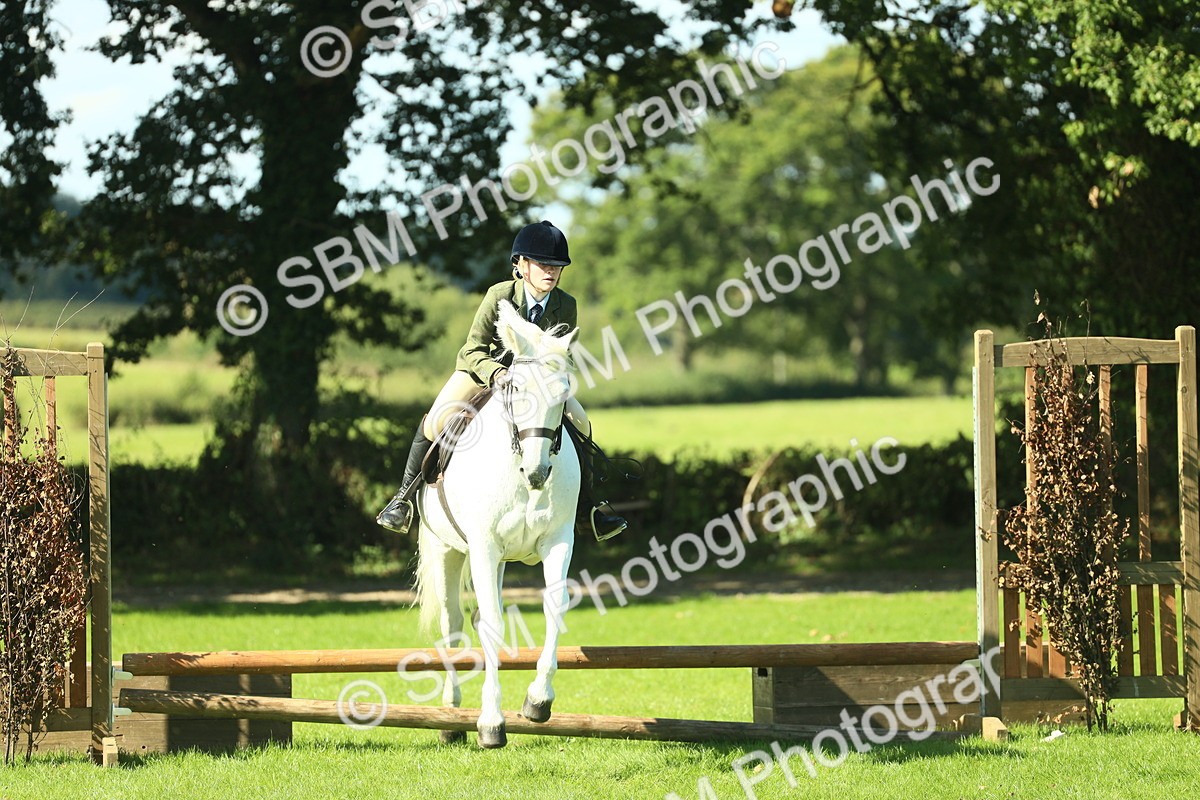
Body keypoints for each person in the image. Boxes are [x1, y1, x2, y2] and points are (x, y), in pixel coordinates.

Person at [377, 220, 628, 541]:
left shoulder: (567, 305)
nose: (551, 272)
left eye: (557, 266)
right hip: (482, 373)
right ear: (521, 265)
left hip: (536, 383)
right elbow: (473, 348)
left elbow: (562, 355)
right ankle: (403, 498)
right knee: (437, 418)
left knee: (581, 422)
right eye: (543, 264)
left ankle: (589, 507)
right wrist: (496, 373)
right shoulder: (499, 294)